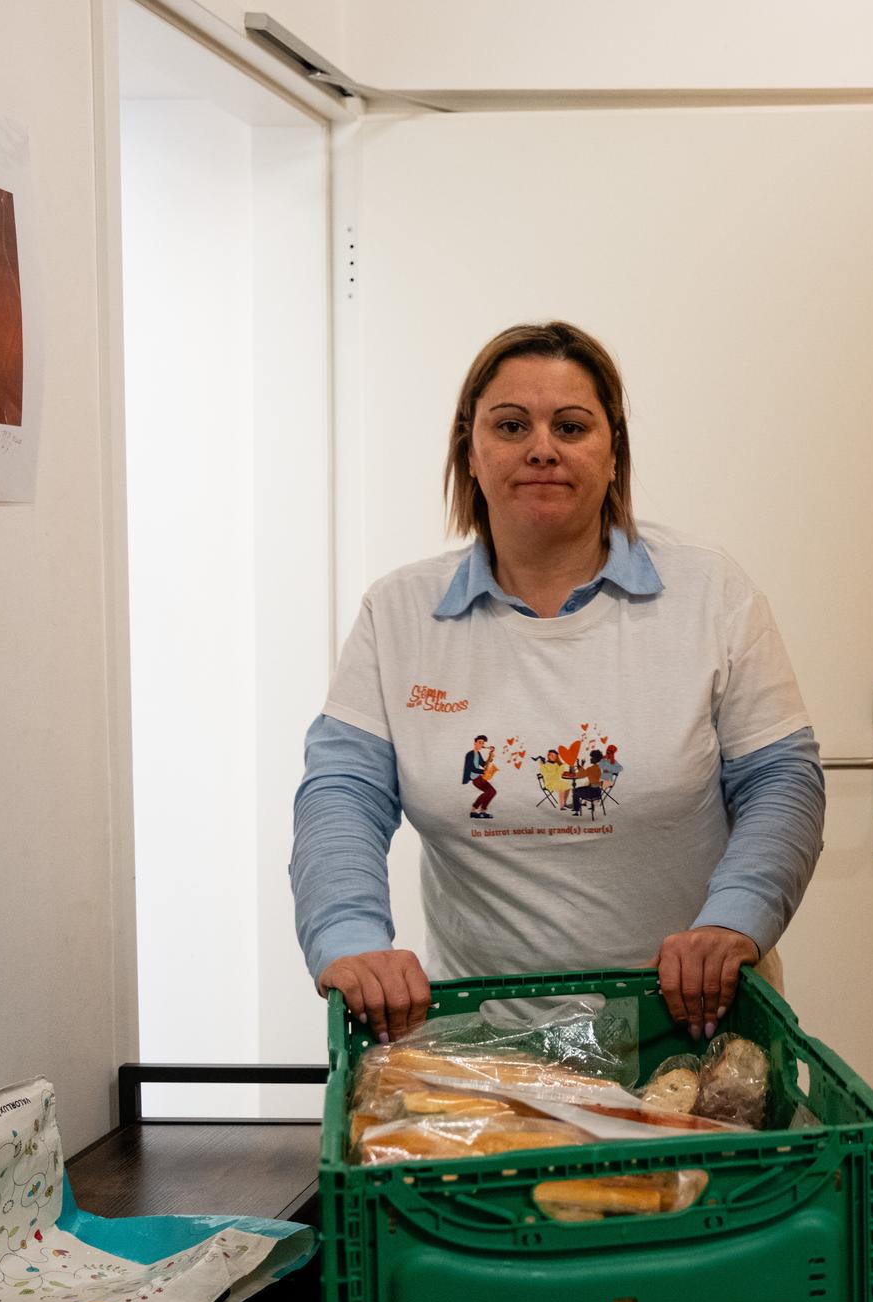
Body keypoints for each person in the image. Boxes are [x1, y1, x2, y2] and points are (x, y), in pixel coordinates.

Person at [290, 321, 825, 1045]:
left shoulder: (710, 591)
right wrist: (350, 936)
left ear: (614, 456)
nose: (542, 446)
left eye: (571, 425)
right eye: (511, 425)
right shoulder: (398, 615)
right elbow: (341, 794)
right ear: (469, 453)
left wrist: (734, 919)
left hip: (692, 1037)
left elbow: (781, 780)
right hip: (484, 1047)